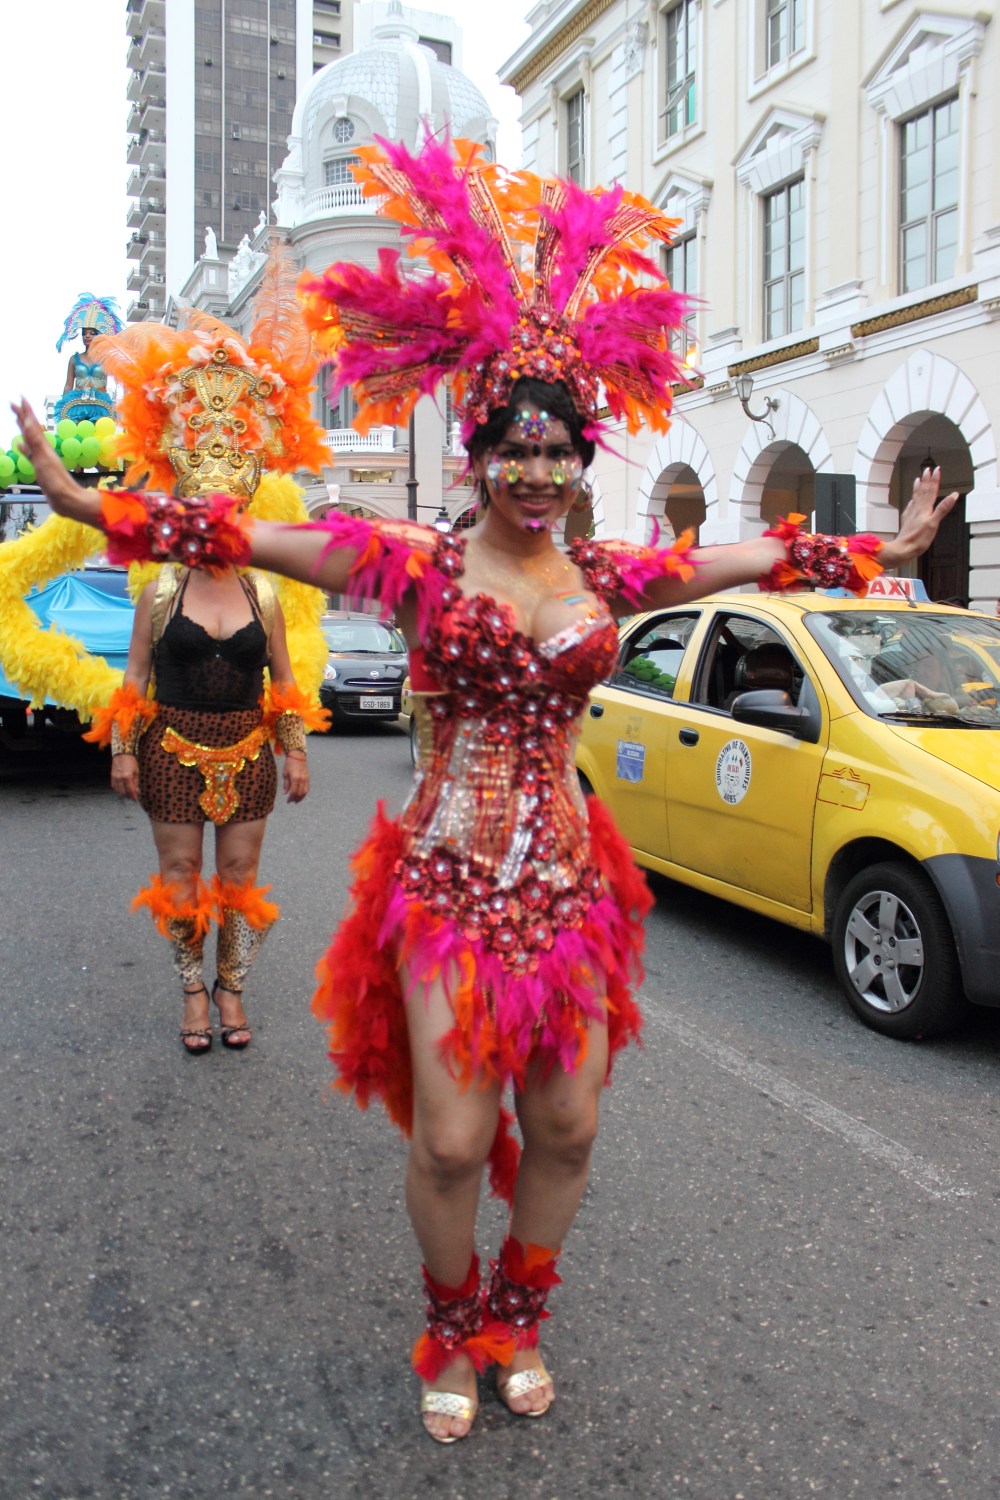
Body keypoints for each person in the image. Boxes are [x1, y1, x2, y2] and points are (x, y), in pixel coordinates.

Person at [13, 136, 956, 1439]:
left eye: (558, 449)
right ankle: (450, 1325)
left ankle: (519, 1313)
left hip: (569, 884)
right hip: (448, 882)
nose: (537, 471)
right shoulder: (410, 563)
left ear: (582, 454)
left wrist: (882, 547)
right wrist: (86, 505)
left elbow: (754, 560)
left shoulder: (610, 576)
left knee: (566, 1126)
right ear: (479, 452)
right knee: (454, 1139)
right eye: (514, 447)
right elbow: (245, 534)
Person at [20, 253, 331, 1054]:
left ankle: (233, 990)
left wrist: (296, 751)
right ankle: (193, 993)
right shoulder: (159, 590)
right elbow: (133, 676)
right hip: (169, 752)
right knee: (182, 880)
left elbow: (285, 681)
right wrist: (124, 749)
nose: (214, 519)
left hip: (249, 751)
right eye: (202, 508)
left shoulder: (265, 593)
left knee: (239, 883)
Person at [53, 294, 124, 426]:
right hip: (76, 402)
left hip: (100, 403)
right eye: (84, 333)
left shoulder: (105, 358)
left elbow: (116, 377)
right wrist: (63, 404)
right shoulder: (74, 359)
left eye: (92, 333)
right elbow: (68, 384)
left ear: (98, 336)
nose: (87, 336)